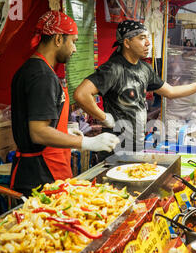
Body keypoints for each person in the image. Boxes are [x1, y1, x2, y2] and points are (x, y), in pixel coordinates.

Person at [10, 11, 120, 196]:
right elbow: (38, 132)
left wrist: (62, 131)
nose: (74, 49)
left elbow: (32, 121)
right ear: (59, 39)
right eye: (73, 41)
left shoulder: (29, 69)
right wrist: (87, 142)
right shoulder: (43, 76)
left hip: (34, 170)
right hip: (41, 176)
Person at [74, 20, 196, 155]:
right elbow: (81, 94)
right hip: (115, 147)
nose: (148, 43)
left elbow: (171, 91)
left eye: (147, 38)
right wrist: (104, 118)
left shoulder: (144, 69)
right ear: (127, 43)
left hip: (136, 145)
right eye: (142, 38)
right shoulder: (114, 68)